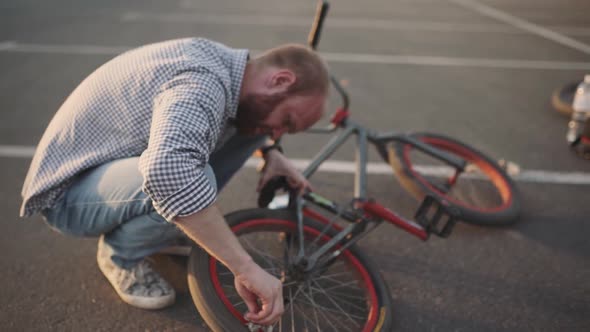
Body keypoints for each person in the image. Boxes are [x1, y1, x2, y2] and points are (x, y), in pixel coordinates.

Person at [19, 37, 329, 326]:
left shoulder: (229, 71)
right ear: (281, 80)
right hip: (68, 195)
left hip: (107, 170)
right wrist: (245, 269)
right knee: (184, 176)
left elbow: (256, 124)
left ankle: (168, 225)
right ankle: (120, 257)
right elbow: (168, 172)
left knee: (253, 129)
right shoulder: (202, 82)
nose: (279, 132)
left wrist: (272, 152)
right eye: (287, 121)